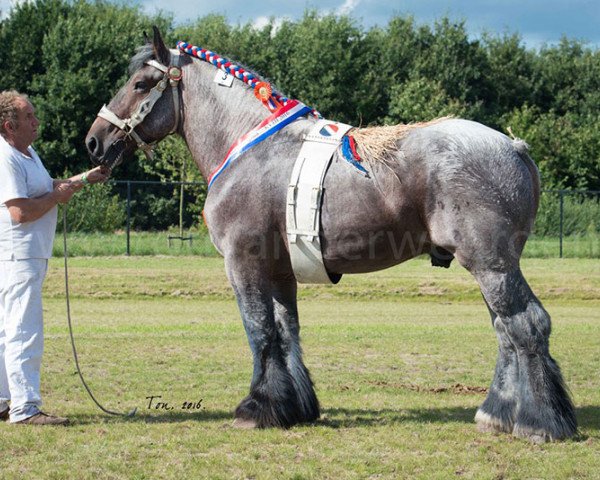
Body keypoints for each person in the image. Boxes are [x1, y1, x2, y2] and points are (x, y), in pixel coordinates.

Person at [0, 90, 110, 425]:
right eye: (29, 117)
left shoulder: (28, 153)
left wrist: (83, 179)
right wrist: (57, 196)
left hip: (29, 254)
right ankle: (25, 407)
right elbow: (20, 210)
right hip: (18, 255)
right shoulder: (6, 158)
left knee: (8, 330)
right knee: (23, 329)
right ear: (9, 125)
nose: (36, 122)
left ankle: (5, 401)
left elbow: (49, 188)